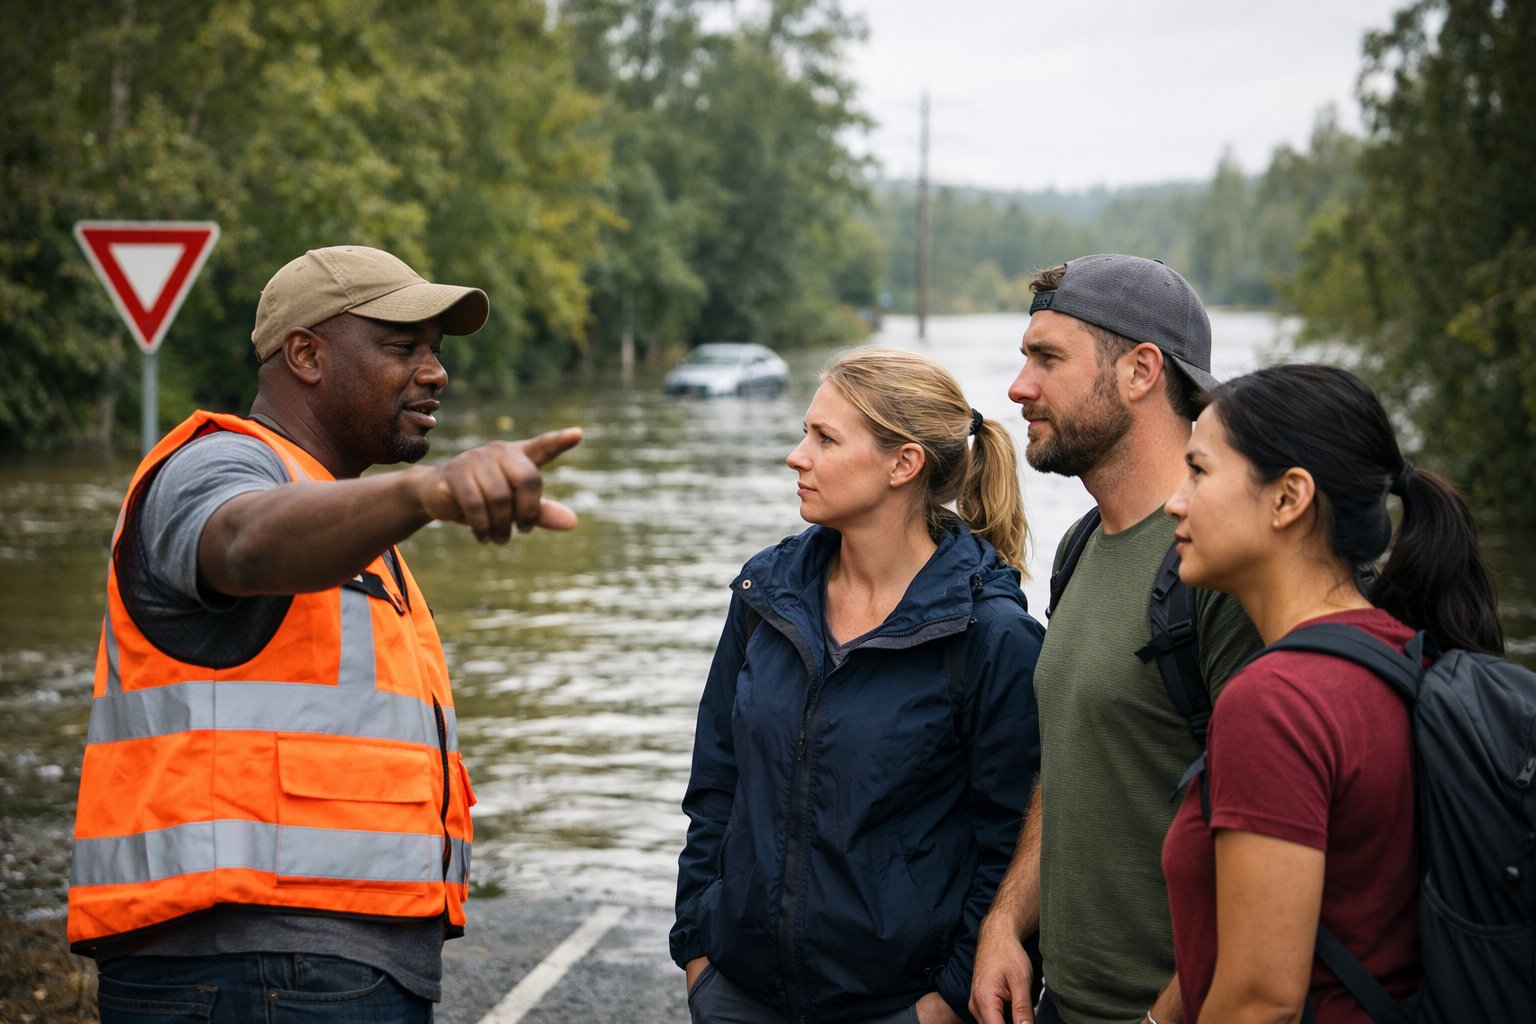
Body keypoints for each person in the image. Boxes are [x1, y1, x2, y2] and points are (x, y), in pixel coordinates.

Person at [66, 245, 583, 1021]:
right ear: (305, 354)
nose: (435, 372)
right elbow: (241, 539)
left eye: (436, 353)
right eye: (402, 348)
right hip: (260, 970)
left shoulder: (347, 514)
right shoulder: (218, 464)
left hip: (316, 966)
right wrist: (427, 490)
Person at [671, 348, 1046, 1023]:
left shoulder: (991, 638)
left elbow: (1014, 844)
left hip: (897, 1009)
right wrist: (699, 950)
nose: (797, 456)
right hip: (736, 994)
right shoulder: (765, 595)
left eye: (824, 438)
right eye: (805, 433)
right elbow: (715, 784)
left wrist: (947, 1002)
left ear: (903, 464)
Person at [1160, 363, 1502, 1023]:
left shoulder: (1276, 701)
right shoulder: (1403, 654)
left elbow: (1262, 1001)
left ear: (1288, 499)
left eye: (1199, 471)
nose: (1176, 501)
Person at [970, 255, 1262, 1024]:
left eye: (1048, 358)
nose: (1017, 386)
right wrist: (1007, 921)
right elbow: (1074, 767)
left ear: (1140, 371)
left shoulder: (1223, 572)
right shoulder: (1078, 548)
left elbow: (1275, 839)